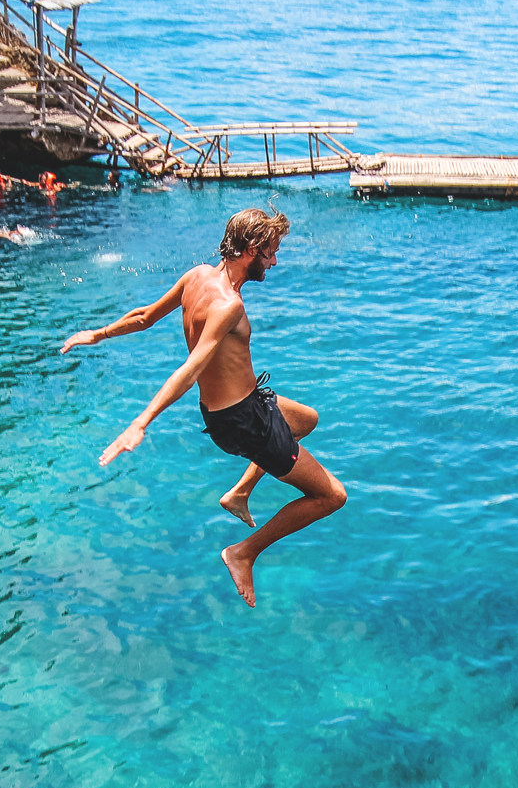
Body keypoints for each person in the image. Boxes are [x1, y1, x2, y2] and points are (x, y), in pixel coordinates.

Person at [58, 207, 347, 606]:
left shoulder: (196, 276)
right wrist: (140, 422)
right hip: (245, 422)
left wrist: (98, 334)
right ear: (251, 249)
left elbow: (144, 317)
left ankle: (239, 494)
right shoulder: (229, 305)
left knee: (305, 419)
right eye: (272, 252)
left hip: (235, 408)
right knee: (332, 496)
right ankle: (244, 553)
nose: (275, 261)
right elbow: (193, 367)